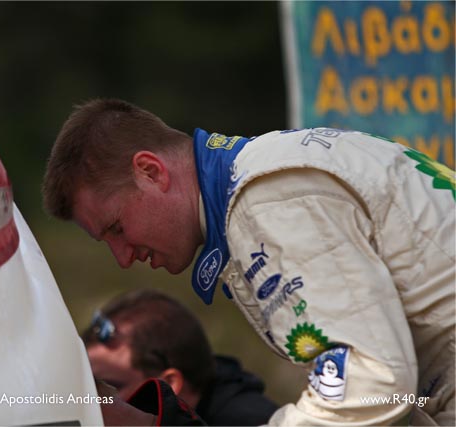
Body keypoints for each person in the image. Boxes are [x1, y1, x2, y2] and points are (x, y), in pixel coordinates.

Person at [42, 98, 455, 426]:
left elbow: (369, 384)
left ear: (151, 171)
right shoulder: (272, 169)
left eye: (116, 227)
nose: (122, 257)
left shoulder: (267, 200)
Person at [81, 289, 277, 426]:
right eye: (91, 385)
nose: (97, 397)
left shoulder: (254, 421)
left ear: (169, 383)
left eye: (111, 386)